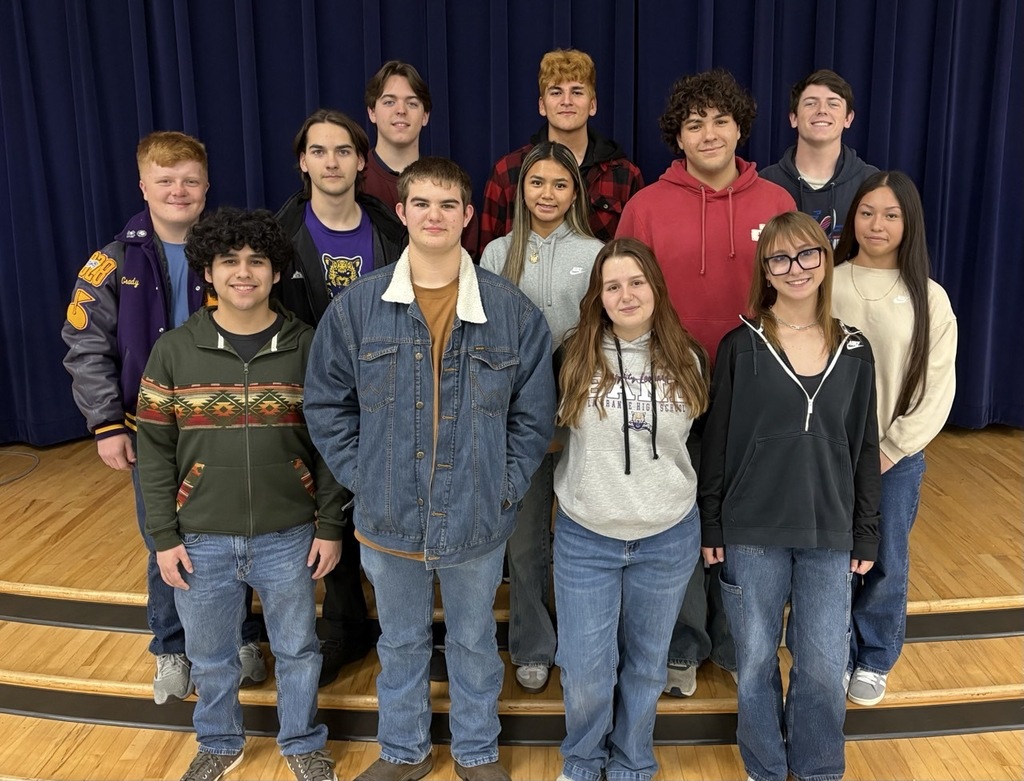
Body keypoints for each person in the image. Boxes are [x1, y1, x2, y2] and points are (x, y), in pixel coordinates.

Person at [304, 157, 555, 781]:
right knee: (402, 641)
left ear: (468, 216)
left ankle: (476, 751)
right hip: (388, 513)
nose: (435, 216)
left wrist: (503, 485)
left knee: (473, 642)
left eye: (449, 205)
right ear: (403, 212)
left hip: (477, 511)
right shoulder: (358, 308)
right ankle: (403, 751)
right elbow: (326, 402)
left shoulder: (512, 311)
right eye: (422, 204)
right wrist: (366, 475)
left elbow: (533, 417)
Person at [137, 208, 346, 781]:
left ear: (277, 272)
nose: (244, 272)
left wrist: (329, 523)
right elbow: (153, 452)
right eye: (229, 261)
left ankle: (303, 742)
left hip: (290, 535)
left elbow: (332, 445)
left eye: (257, 261)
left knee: (299, 651)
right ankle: (220, 742)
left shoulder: (309, 346)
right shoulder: (175, 351)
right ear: (207, 270)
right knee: (210, 655)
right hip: (200, 536)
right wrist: (163, 536)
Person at [61, 131, 265, 705]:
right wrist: (105, 423)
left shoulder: (228, 251)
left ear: (206, 187)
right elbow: (84, 344)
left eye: (190, 181)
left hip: (225, 421)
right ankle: (171, 646)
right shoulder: (113, 260)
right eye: (166, 180)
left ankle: (243, 635)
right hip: (148, 427)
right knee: (164, 538)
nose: (179, 191)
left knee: (234, 531)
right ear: (143, 185)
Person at [616, 69, 796, 698]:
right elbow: (623, 296)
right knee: (680, 522)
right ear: (679, 138)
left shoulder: (775, 204)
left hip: (758, 391)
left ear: (740, 127)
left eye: (721, 120)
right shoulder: (646, 206)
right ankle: (683, 645)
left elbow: (800, 295)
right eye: (695, 123)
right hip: (670, 392)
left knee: (745, 523)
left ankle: (739, 641)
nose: (710, 132)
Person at [700, 211, 881, 781]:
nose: (795, 268)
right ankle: (765, 767)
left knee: (825, 665)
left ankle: (820, 768)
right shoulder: (740, 345)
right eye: (780, 258)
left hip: (829, 530)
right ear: (766, 271)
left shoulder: (855, 349)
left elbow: (864, 447)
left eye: (807, 255)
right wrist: (712, 525)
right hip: (751, 531)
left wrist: (867, 529)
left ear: (826, 261)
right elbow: (718, 443)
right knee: (753, 662)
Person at [552, 238, 709, 781]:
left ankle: (632, 762)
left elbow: (701, 446)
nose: (625, 295)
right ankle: (582, 759)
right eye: (612, 285)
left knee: (646, 665)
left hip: (667, 536)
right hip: (586, 536)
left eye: (636, 282)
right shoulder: (571, 355)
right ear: (597, 296)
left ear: (656, 288)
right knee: (586, 670)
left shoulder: (690, 358)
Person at [274, 108, 407, 687]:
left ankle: (404, 627)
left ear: (362, 160)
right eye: (320, 151)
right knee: (325, 509)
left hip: (386, 394)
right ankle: (344, 624)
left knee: (382, 503)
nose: (333, 162)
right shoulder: (277, 237)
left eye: (344, 151)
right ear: (303, 162)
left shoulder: (391, 232)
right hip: (308, 396)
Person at [480, 142, 603, 693]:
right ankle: (531, 642)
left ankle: (586, 642)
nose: (547, 194)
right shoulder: (495, 254)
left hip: (582, 417)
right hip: (518, 420)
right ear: (521, 191)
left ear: (574, 192)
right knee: (526, 538)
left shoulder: (598, 254)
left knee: (583, 537)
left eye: (559, 184)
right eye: (537, 183)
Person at [833, 171, 957, 706]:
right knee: (831, 558)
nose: (876, 224)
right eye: (866, 212)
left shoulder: (928, 297)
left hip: (894, 455)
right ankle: (831, 650)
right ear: (851, 218)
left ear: (909, 224)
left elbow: (938, 383)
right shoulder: (825, 282)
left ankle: (875, 656)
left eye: (890, 215)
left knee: (886, 557)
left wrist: (892, 447)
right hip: (828, 453)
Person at [480, 48, 643, 247]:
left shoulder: (625, 176)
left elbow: (636, 256)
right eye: (556, 92)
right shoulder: (507, 172)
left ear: (592, 105)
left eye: (577, 92)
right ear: (542, 105)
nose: (566, 101)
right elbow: (487, 258)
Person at [362, 61, 480, 257]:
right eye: (389, 102)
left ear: (425, 116)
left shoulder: (449, 186)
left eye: (412, 103)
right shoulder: (353, 182)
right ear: (372, 112)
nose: (401, 110)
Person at [760, 69, 878, 244]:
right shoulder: (766, 183)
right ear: (793, 118)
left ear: (848, 118)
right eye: (810, 103)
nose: (822, 110)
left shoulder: (871, 182)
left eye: (833, 104)